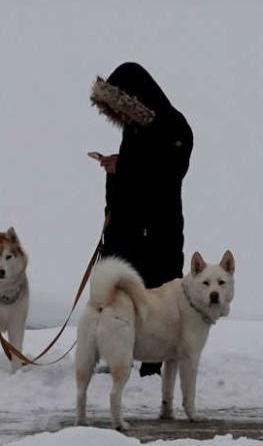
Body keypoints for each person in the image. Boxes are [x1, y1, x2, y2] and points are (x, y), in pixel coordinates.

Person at [89, 62, 193, 377]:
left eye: (121, 107)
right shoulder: (134, 129)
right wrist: (114, 178)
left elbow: (165, 178)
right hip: (126, 229)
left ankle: (153, 366)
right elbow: (131, 179)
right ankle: (117, 354)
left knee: (157, 298)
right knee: (118, 294)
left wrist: (124, 169)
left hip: (158, 232)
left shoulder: (175, 127)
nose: (119, 117)